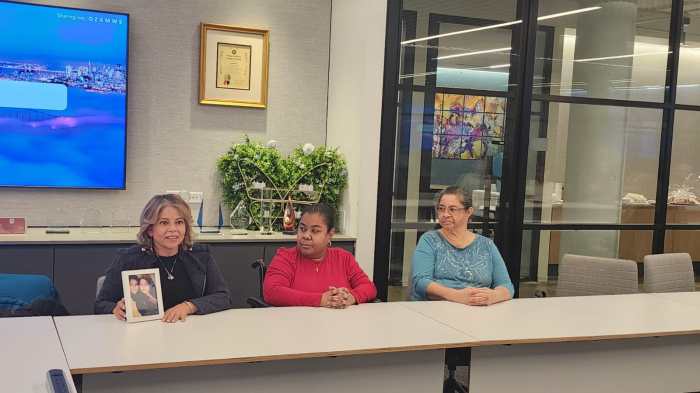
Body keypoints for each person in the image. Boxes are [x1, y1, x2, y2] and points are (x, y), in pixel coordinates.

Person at [96, 194, 232, 322]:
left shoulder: (201, 255)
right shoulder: (128, 258)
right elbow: (101, 304)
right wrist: (115, 308)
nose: (173, 229)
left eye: (179, 222)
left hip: (190, 332)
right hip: (145, 335)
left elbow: (223, 297)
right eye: (164, 223)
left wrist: (189, 306)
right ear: (150, 229)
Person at [411, 186, 514, 306]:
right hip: (437, 309)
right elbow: (420, 282)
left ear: (468, 212)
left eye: (452, 209)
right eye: (441, 209)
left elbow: (507, 286)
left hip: (477, 312)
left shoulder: (487, 245)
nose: (445, 214)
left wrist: (492, 296)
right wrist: (457, 296)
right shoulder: (430, 240)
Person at [263, 203, 377, 308]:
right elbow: (272, 291)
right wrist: (321, 299)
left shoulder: (343, 258)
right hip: (296, 325)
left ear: (330, 235)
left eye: (315, 231)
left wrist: (349, 298)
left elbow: (369, 287)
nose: (306, 235)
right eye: (302, 229)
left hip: (340, 326)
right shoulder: (286, 257)